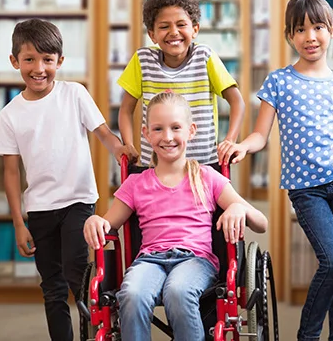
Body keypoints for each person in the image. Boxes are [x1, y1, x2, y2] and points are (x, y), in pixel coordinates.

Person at [220, 0, 333, 341]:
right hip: (307, 191)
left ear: (331, 30)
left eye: (318, 27)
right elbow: (261, 134)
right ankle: (307, 336)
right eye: (301, 29)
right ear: (290, 36)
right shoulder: (278, 82)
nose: (310, 36)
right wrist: (243, 146)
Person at [0, 19, 136, 341]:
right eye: (29, 59)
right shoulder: (9, 115)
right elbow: (11, 173)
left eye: (47, 59)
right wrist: (18, 222)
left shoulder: (74, 94)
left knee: (76, 272)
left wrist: (119, 149)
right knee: (52, 286)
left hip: (79, 199)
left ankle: (97, 330)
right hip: (40, 209)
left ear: (60, 62)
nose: (39, 68)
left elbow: (103, 133)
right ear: (15, 62)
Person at [84, 91, 268, 341]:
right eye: (158, 129)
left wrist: (238, 208)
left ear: (191, 131)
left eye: (175, 128)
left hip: (195, 260)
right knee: (131, 294)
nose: (167, 137)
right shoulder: (136, 183)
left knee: (179, 291)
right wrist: (96, 220)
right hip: (149, 260)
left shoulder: (207, 177)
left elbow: (261, 223)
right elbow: (109, 224)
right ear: (147, 134)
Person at [117, 0, 245, 171]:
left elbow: (237, 102)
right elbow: (125, 110)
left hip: (202, 166)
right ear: (152, 34)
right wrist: (128, 144)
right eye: (164, 26)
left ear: (195, 30)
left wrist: (230, 140)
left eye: (181, 24)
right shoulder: (142, 60)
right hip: (155, 167)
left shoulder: (205, 57)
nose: (173, 32)